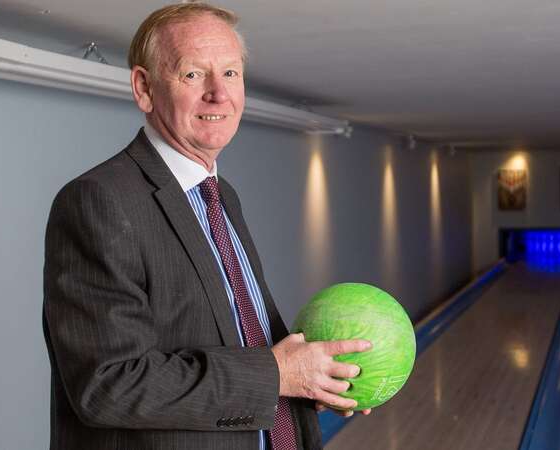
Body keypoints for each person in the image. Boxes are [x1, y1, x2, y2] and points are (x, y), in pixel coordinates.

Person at [43, 3, 370, 449]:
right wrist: (279, 374)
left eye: (231, 73)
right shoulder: (98, 200)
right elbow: (108, 385)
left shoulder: (220, 196)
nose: (219, 93)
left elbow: (242, 339)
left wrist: (314, 380)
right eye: (193, 74)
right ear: (144, 88)